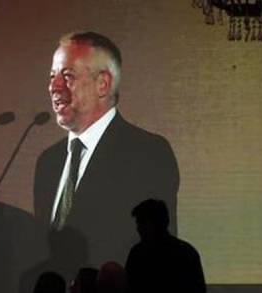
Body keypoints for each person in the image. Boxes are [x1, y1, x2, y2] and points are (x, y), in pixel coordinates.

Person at [34, 31, 179, 275]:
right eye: (52, 76)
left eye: (67, 76)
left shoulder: (147, 152)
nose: (53, 87)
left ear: (103, 84)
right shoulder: (48, 162)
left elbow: (156, 250)